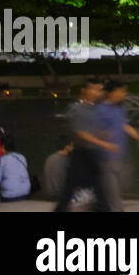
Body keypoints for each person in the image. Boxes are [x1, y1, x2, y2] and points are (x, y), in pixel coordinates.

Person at [55, 78, 115, 212]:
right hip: (81, 155)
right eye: (95, 89)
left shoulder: (94, 109)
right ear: (85, 90)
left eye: (100, 90)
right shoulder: (77, 109)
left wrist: (104, 134)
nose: (98, 93)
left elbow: (93, 130)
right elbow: (82, 134)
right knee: (71, 189)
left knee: (98, 188)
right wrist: (104, 143)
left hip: (93, 154)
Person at [96, 79, 139, 211]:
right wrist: (103, 136)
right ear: (113, 92)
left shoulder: (120, 109)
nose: (124, 94)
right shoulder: (101, 109)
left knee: (121, 187)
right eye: (122, 91)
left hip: (122, 158)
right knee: (114, 196)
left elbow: (124, 126)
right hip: (106, 158)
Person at [0, 133, 30, 201]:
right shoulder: (22, 157)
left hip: (10, 195)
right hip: (25, 192)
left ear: (3, 147)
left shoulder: (2, 160)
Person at [42, 135, 73, 201]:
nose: (73, 148)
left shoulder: (49, 158)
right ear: (67, 146)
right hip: (60, 196)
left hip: (48, 195)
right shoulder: (67, 160)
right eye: (71, 145)